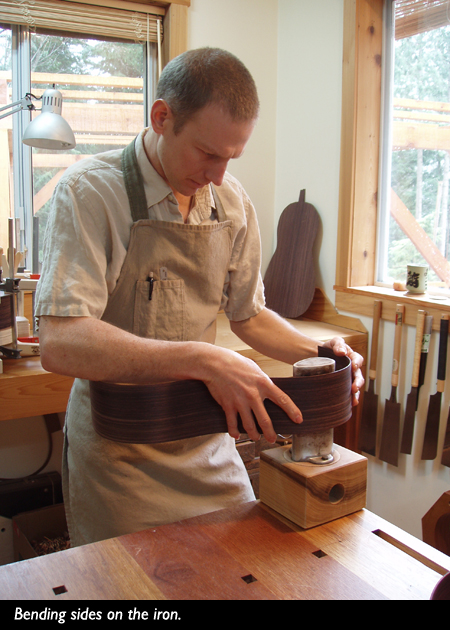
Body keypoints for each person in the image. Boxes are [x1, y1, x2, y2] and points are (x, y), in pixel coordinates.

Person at [35, 47, 364, 547]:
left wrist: (320, 352)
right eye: (208, 153)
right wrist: (204, 359)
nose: (217, 175)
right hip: (119, 452)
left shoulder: (231, 203)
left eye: (232, 158)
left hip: (206, 445)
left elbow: (250, 316)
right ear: (162, 117)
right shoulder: (89, 193)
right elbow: (61, 342)